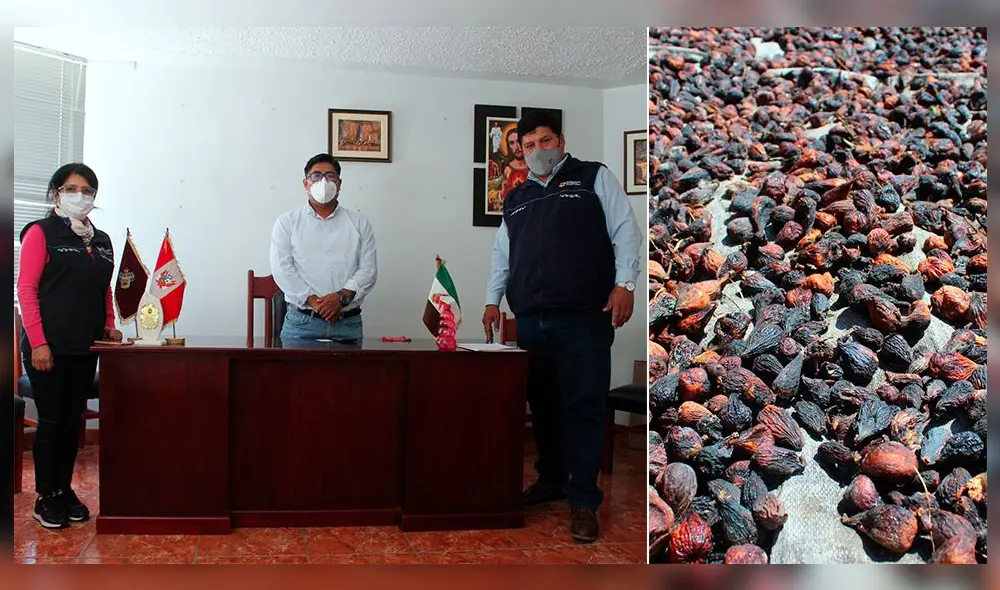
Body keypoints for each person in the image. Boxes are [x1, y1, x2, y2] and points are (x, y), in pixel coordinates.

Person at [482, 111, 641, 543]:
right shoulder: (516, 197)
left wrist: (625, 284)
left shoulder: (592, 177)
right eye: (528, 146)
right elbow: (503, 255)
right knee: (545, 406)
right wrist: (492, 301)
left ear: (561, 140)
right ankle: (551, 479)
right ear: (520, 152)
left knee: (583, 407)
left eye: (544, 141)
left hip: (583, 319)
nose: (537, 151)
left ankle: (584, 500)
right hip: (531, 321)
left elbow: (626, 230)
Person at [17, 163, 122, 529]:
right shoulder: (40, 233)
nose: (80, 195)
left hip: (84, 346)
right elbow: (26, 290)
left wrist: (109, 325)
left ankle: (63, 489)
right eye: (71, 188)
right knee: (52, 420)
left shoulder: (101, 240)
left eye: (88, 190)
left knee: (71, 421)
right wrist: (39, 343)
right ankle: (46, 495)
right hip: (48, 346)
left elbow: (104, 288)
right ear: (55, 193)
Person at [270, 154, 378, 343]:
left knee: (352, 374)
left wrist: (339, 298)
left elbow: (368, 270)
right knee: (294, 374)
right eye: (316, 175)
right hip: (301, 324)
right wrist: (314, 302)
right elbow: (282, 269)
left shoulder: (360, 223)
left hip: (348, 324)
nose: (323, 181)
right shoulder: (287, 222)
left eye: (330, 176)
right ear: (305, 183)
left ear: (339, 183)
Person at [500, 127, 530, 200]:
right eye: (512, 143)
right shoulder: (505, 167)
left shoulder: (534, 167)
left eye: (518, 141)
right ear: (508, 146)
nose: (516, 146)